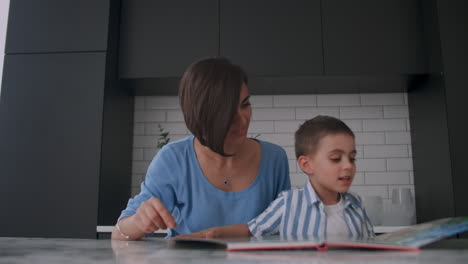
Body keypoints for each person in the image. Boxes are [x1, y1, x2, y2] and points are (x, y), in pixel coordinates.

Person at [112, 57, 291, 240]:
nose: (243, 119)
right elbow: (119, 234)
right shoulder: (173, 159)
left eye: (245, 104)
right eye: (228, 111)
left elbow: (284, 231)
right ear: (201, 114)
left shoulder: (275, 159)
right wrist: (138, 222)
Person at [180, 116, 374, 239]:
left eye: (352, 158)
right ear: (307, 164)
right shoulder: (289, 203)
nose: (348, 165)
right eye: (336, 158)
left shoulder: (357, 205)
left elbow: (373, 248)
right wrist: (209, 235)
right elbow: (251, 230)